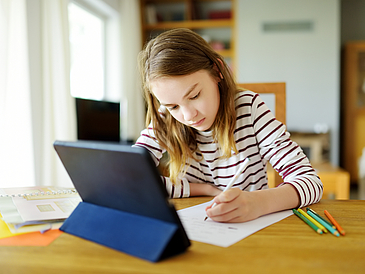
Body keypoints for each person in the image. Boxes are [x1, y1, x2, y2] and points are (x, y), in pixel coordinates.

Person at [134, 28, 323, 223]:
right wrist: (204, 190)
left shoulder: (249, 109)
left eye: (194, 96)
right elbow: (131, 180)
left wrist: (258, 203)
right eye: (173, 106)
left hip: (249, 229)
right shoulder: (165, 118)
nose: (188, 115)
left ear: (217, 72)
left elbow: (311, 182)